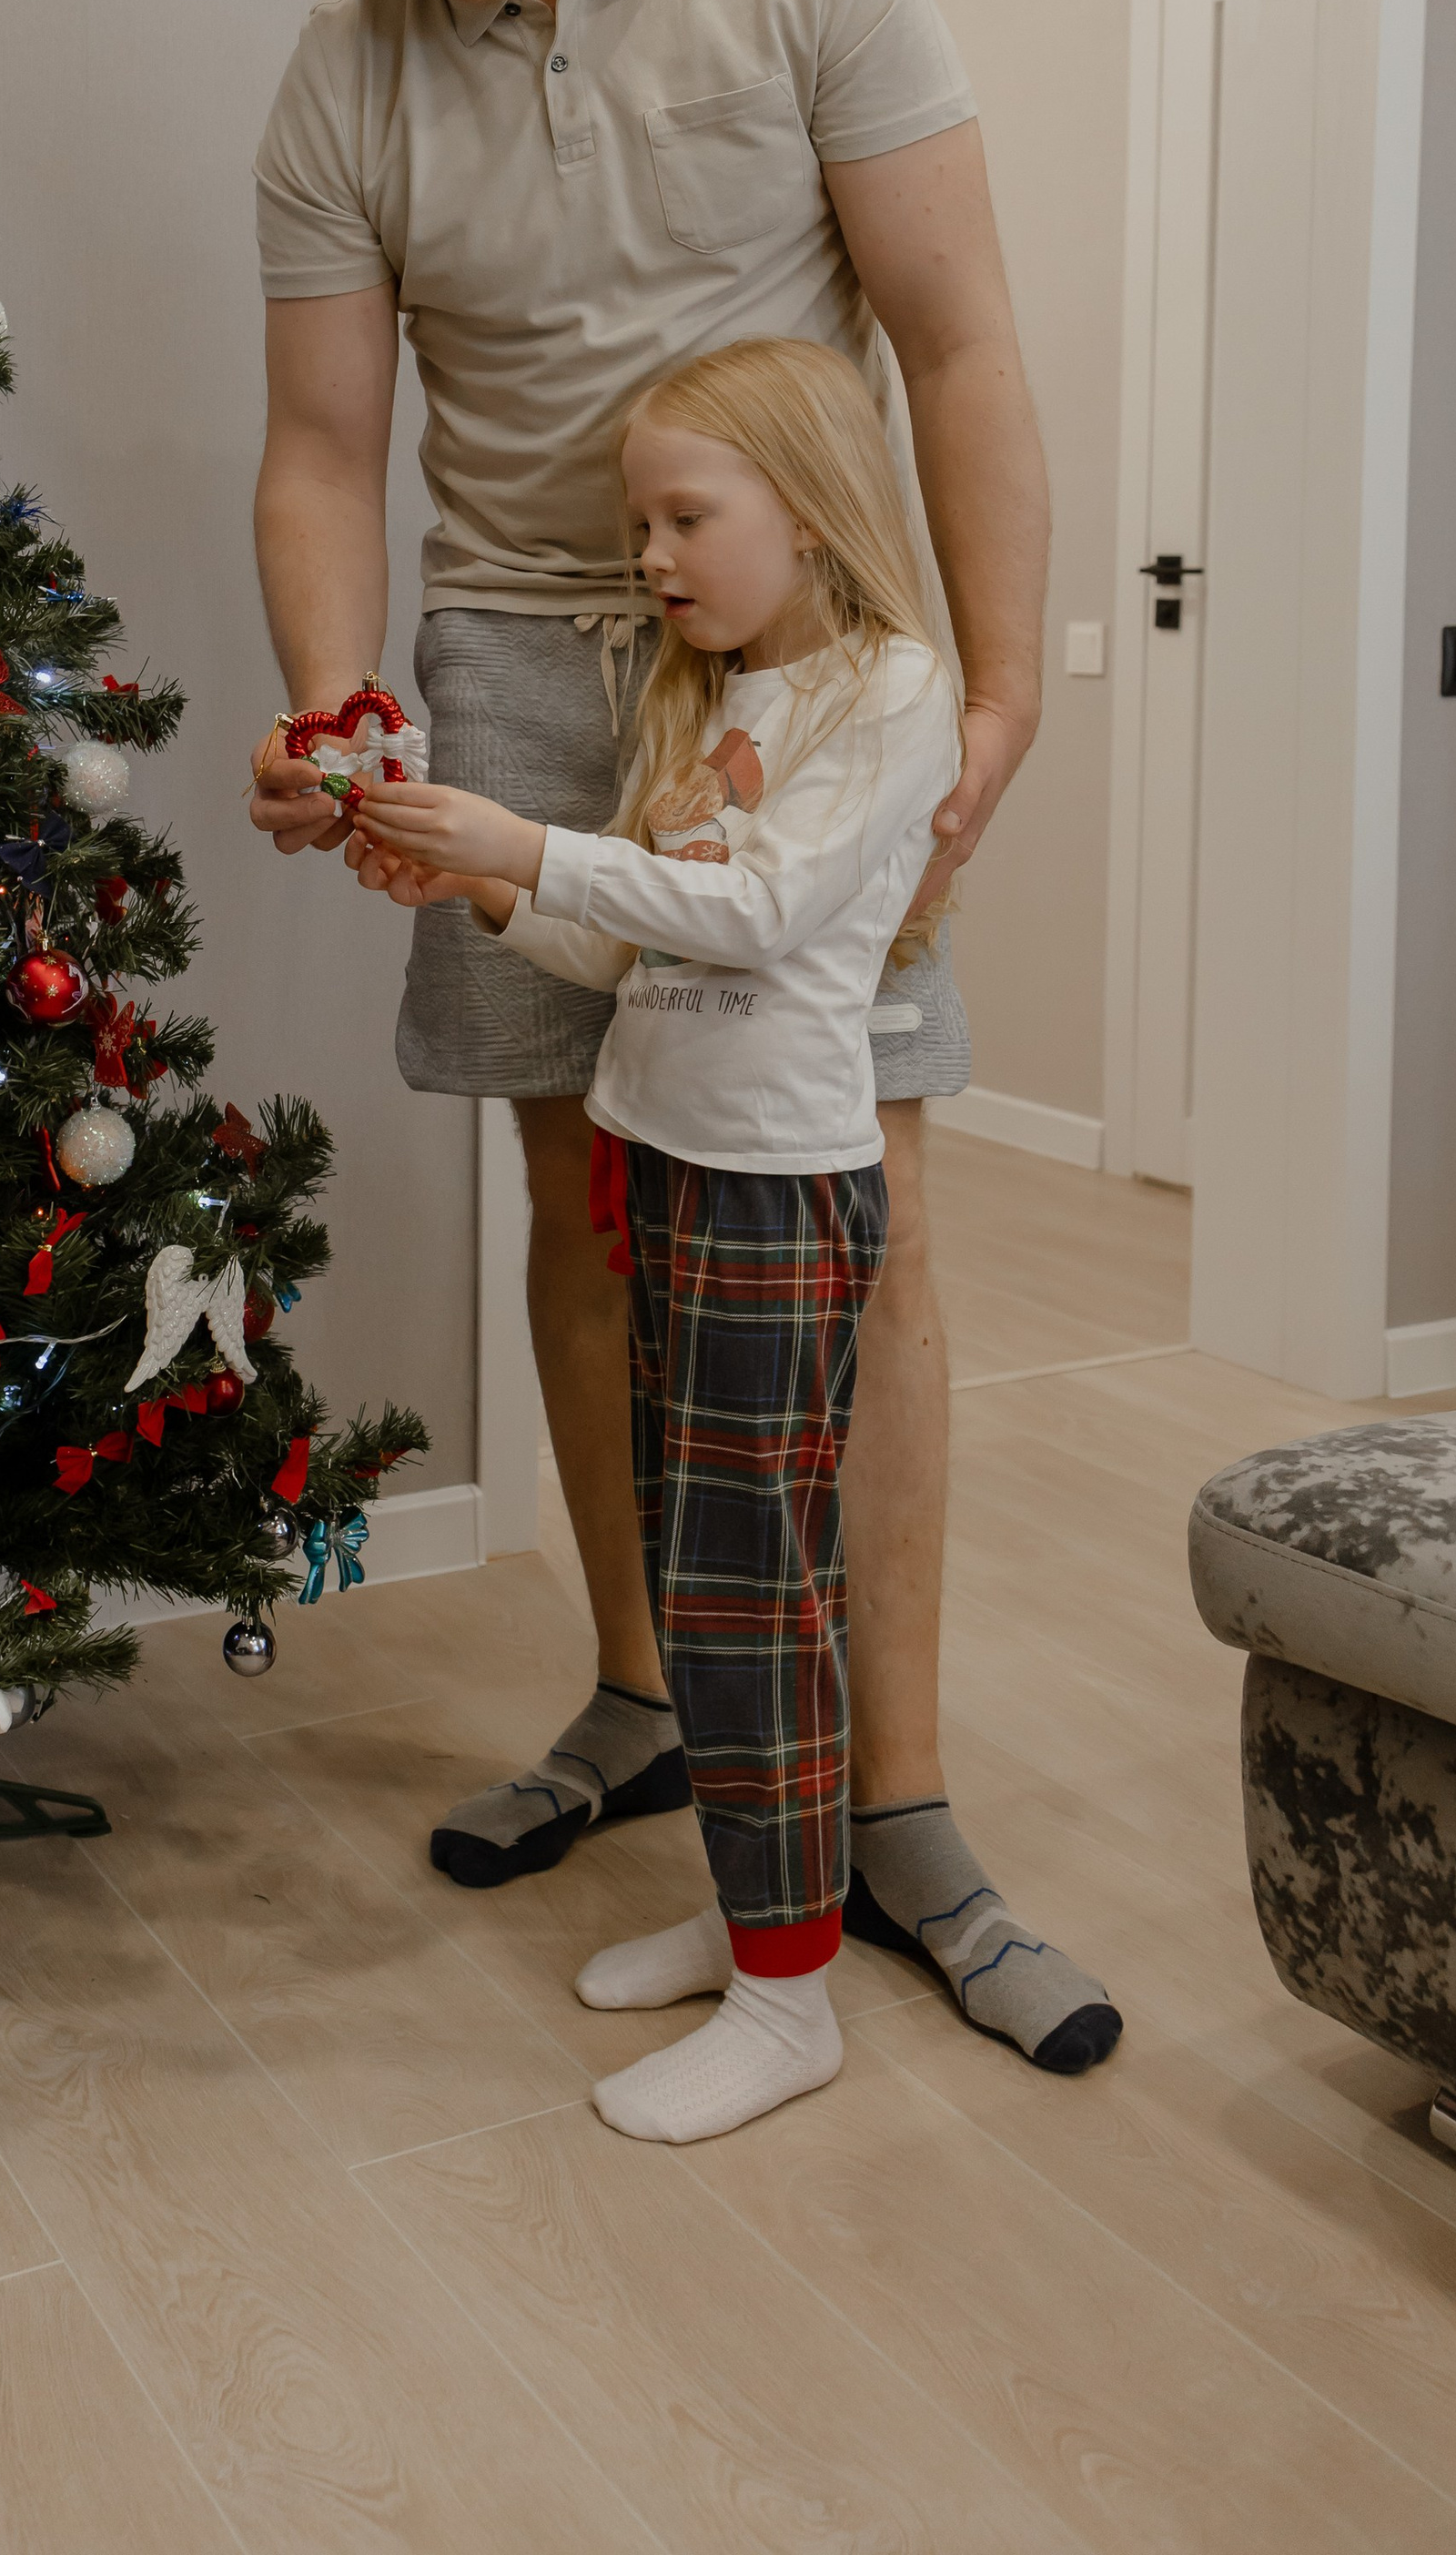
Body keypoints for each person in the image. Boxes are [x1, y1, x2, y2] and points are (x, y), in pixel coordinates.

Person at [238, 0, 1113, 2076]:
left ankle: (902, 1800)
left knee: (869, 1217)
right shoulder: (343, 78)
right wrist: (339, 705)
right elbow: (324, 451)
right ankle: (657, 1700)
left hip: (787, 657)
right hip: (518, 657)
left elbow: (954, 333)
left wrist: (1009, 682)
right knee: (597, 1204)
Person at [346, 340, 1118, 2139]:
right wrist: (487, 884)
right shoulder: (711, 701)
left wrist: (523, 840)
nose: (655, 557)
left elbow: (761, 912)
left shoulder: (891, 692)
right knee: (699, 1577)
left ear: (808, 504)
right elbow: (640, 952)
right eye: (640, 525)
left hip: (777, 1191)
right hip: (663, 1163)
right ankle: (758, 1908)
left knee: (750, 1588)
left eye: (685, 516)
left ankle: (789, 2004)